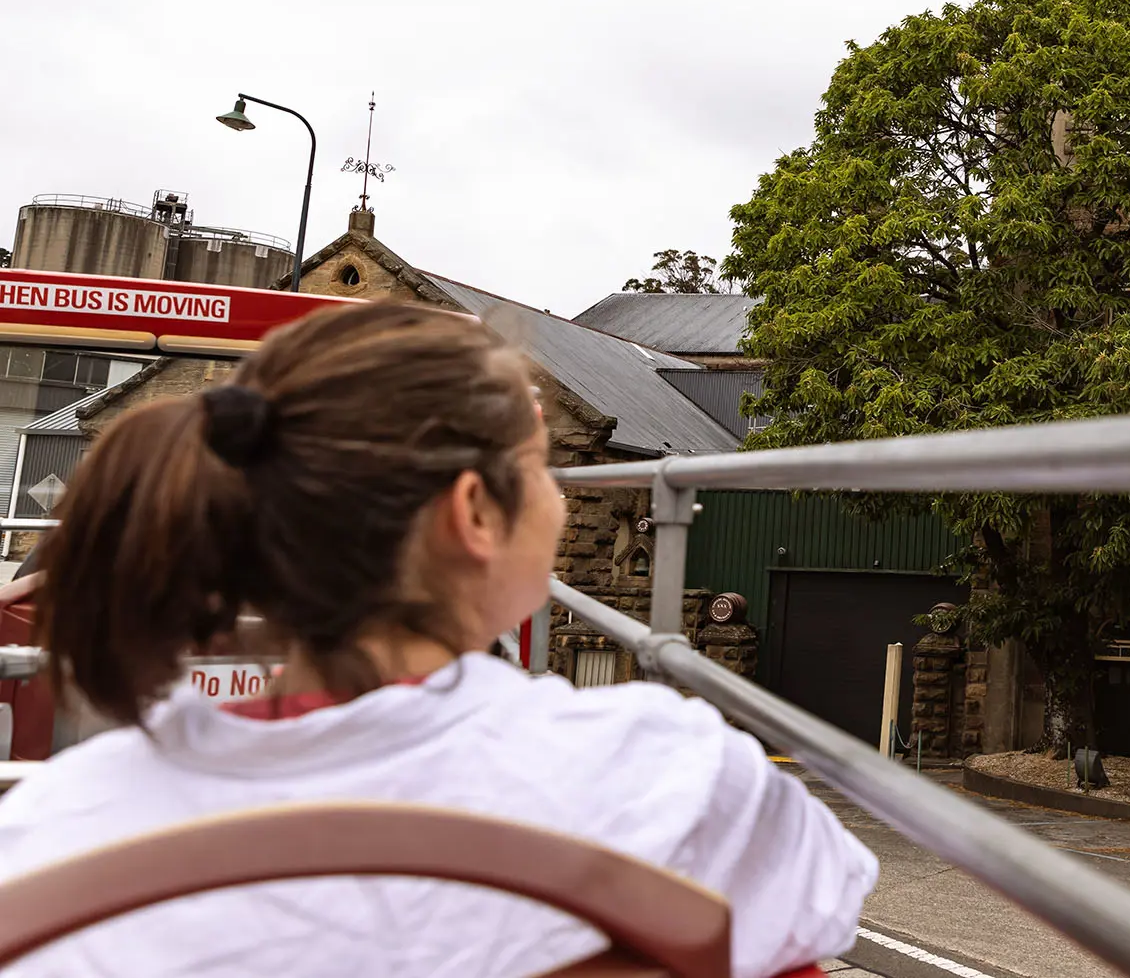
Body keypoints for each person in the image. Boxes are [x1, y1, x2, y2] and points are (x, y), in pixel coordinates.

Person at [0, 302, 876, 977]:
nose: (564, 496)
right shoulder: (670, 773)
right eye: (542, 471)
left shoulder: (47, 830)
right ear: (473, 513)